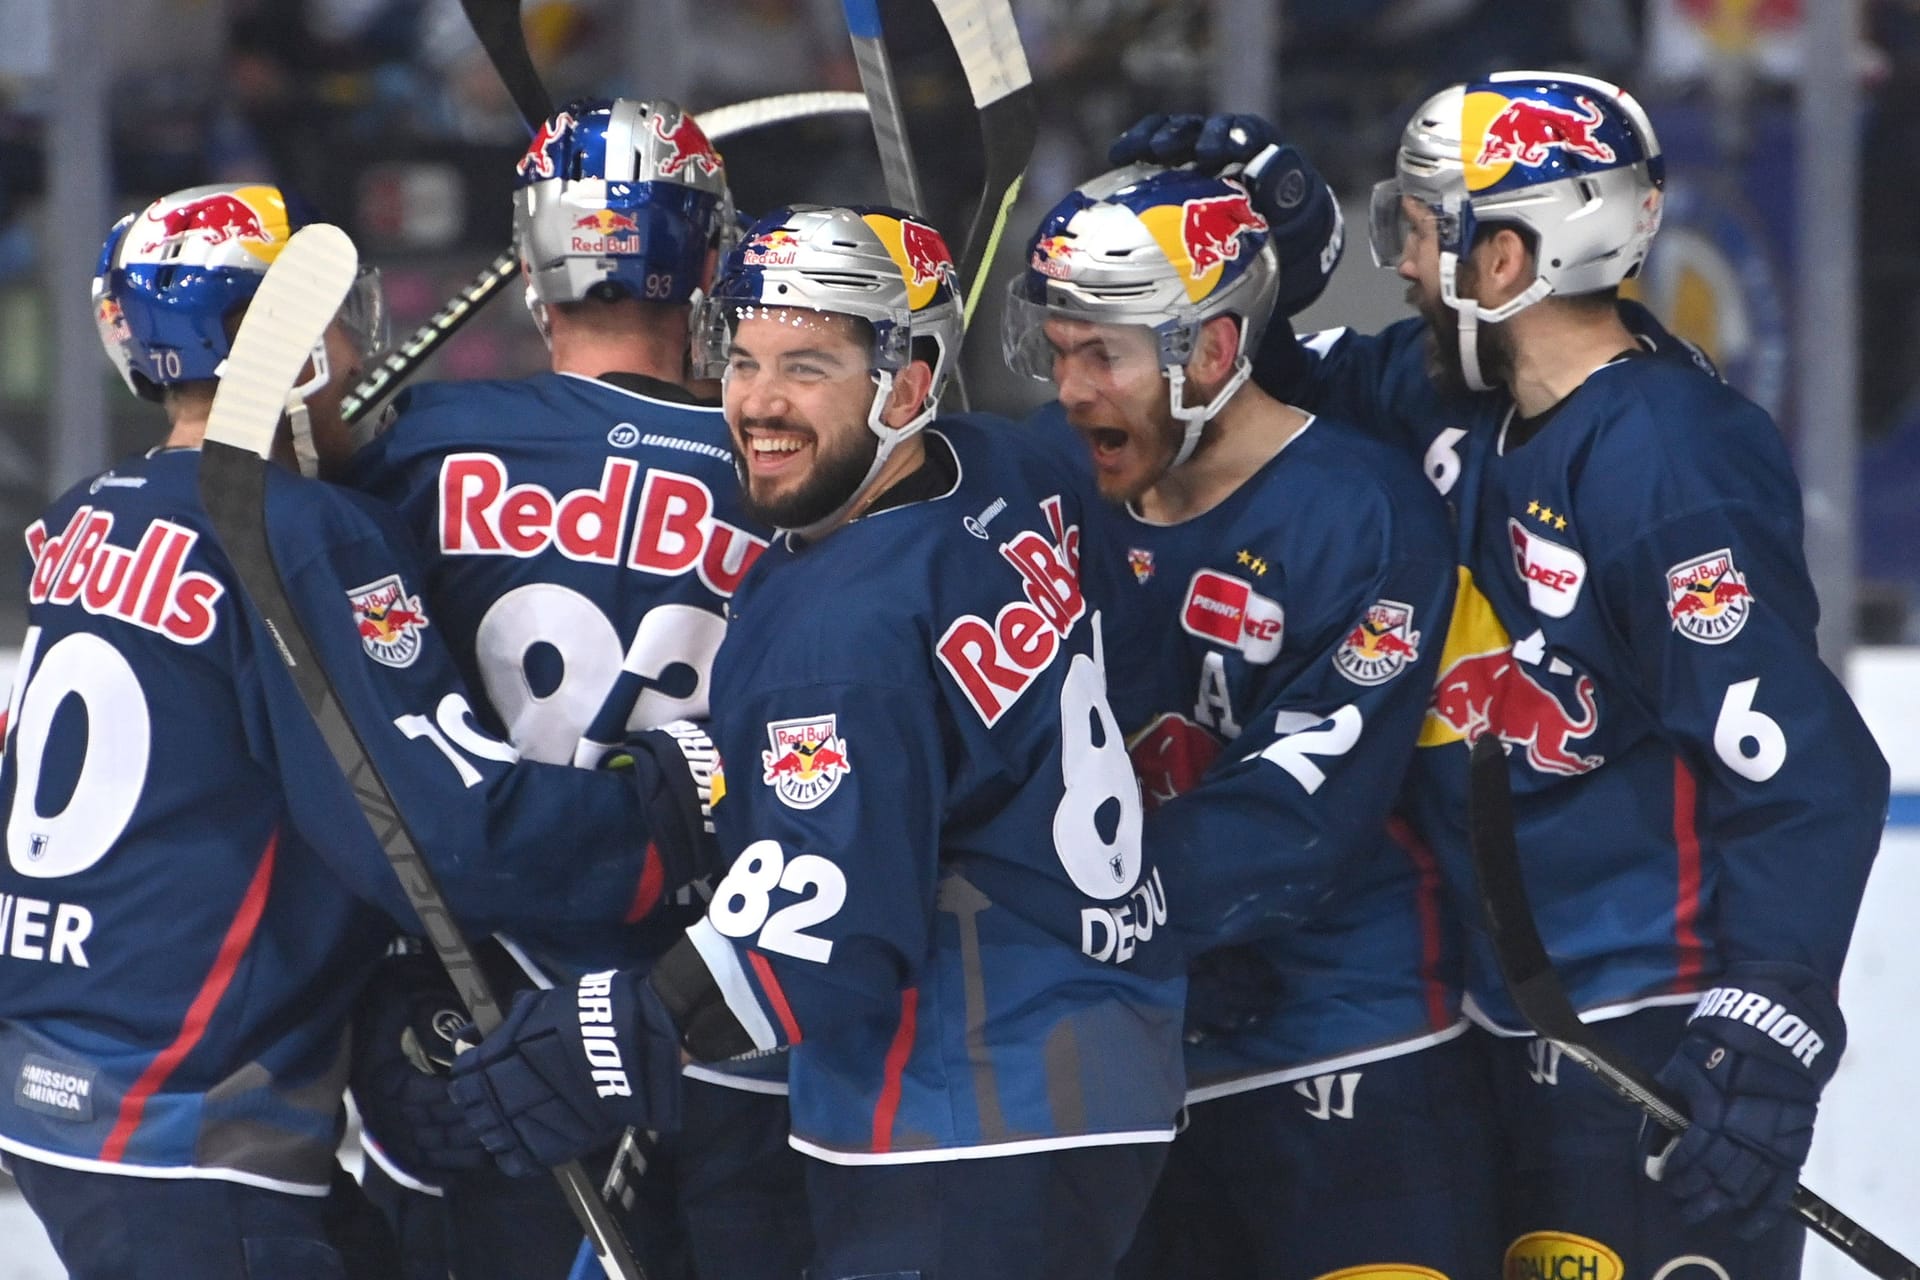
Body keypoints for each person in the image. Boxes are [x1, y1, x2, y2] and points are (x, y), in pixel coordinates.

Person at [1122, 74, 1891, 1276]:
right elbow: (1261, 391)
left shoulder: (1663, 455)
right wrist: (1267, 246)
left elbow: (1798, 762)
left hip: (1646, 1030)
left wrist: (1772, 1013)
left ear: (1509, 258)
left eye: (1424, 234)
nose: (1410, 266)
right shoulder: (1454, 395)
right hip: (1503, 1021)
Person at [445, 203, 1188, 1280]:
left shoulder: (834, 627)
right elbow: (1044, 704)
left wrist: (619, 1025)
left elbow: (829, 933)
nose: (758, 403)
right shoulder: (1010, 465)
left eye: (807, 366)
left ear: (908, 383)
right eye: (739, 360)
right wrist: (723, 764)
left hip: (962, 1106)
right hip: (1113, 1042)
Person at [0, 182, 717, 1280]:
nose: (360, 347)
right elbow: (451, 836)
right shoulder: (301, 532)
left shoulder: (88, 512)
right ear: (286, 355)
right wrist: (677, 791)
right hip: (186, 1126)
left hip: (58, 1079)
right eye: (336, 323)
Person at [1004, 161, 1497, 1277]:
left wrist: (1133, 910)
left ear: (1213, 353)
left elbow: (1302, 808)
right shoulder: (1037, 489)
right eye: (1058, 349)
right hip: (1122, 1055)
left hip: (1353, 1040)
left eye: (1105, 354)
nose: (1073, 388)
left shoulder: (1361, 516)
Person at [344, 97, 806, 1280]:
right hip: (722, 999)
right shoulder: (783, 469)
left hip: (491, 999)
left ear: (536, 260)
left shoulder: (423, 444)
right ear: (708, 263)